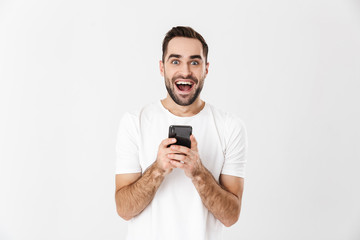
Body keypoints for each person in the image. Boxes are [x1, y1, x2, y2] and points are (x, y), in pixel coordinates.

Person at [115, 26, 247, 240]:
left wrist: (198, 173)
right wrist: (158, 169)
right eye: (175, 61)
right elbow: (124, 209)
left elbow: (231, 216)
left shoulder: (230, 127)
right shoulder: (134, 122)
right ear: (162, 67)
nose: (185, 71)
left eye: (194, 62)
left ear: (206, 69)